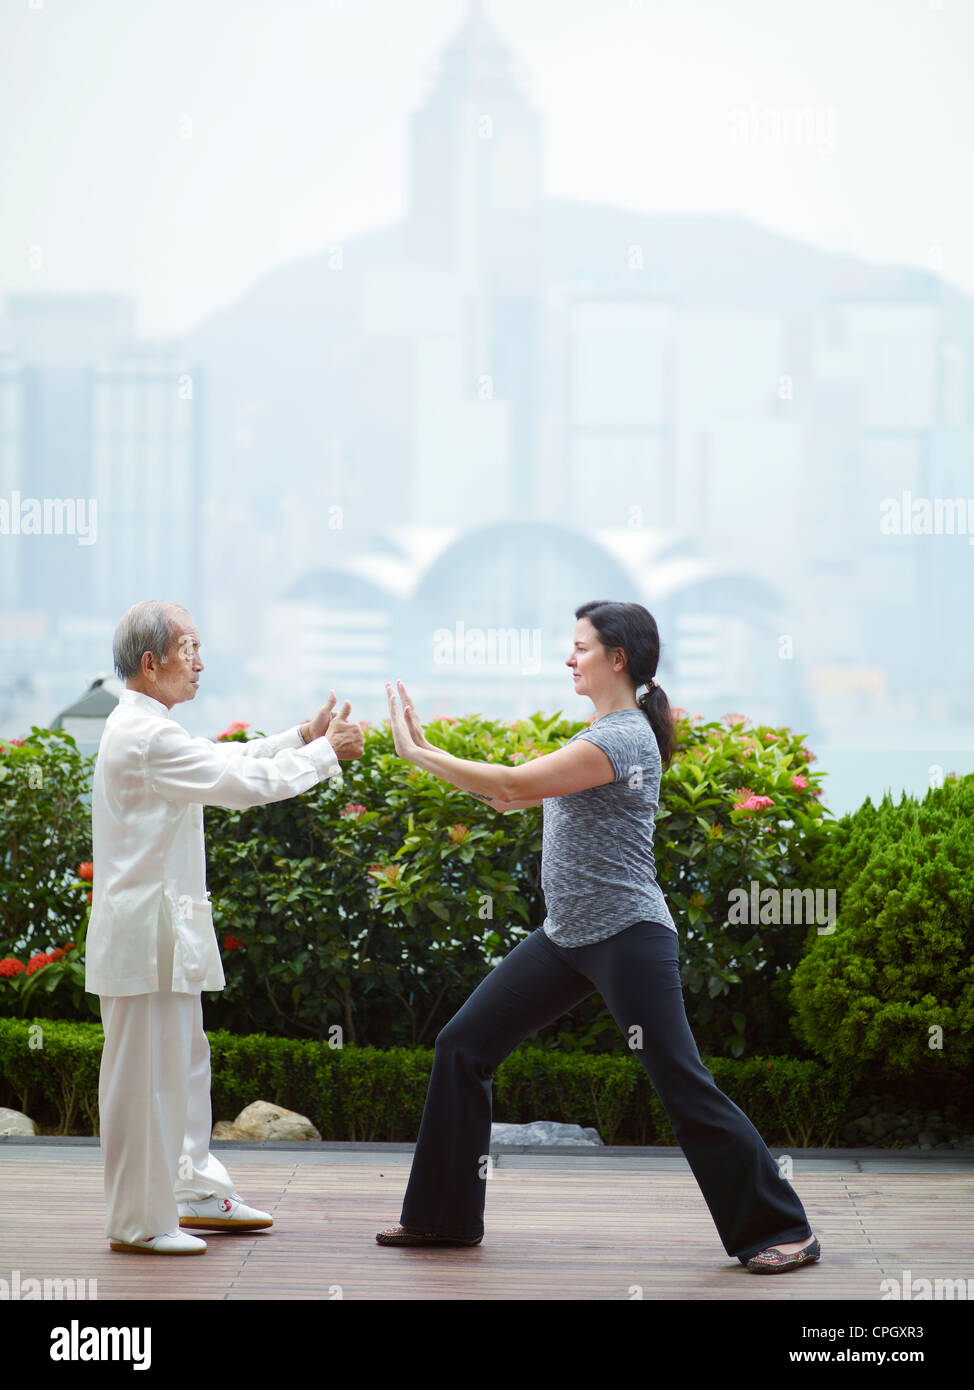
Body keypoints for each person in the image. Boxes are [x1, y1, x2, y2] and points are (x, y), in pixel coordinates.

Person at [375, 600, 820, 1275]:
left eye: (579, 647)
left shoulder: (623, 739)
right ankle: (443, 1217)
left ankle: (782, 1227)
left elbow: (509, 782)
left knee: (681, 1083)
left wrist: (420, 751)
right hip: (567, 937)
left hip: (626, 936)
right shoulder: (602, 731)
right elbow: (509, 797)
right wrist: (428, 755)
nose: (568, 658)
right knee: (463, 1045)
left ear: (618, 658)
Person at [86, 599, 364, 1254]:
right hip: (144, 938)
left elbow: (224, 761)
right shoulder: (147, 735)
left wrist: (301, 737)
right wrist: (324, 754)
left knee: (180, 1070)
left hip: (160, 936)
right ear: (151, 662)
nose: (200, 663)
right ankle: (139, 1222)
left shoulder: (151, 728)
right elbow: (242, 784)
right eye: (190, 649)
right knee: (145, 1082)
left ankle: (193, 1193)